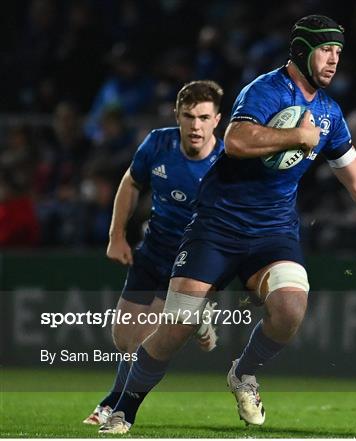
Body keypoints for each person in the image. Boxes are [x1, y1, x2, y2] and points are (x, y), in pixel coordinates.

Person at [99, 15, 356, 434]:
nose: (334, 60)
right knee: (177, 325)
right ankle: (124, 407)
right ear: (302, 51)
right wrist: (294, 138)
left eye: (338, 52)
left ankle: (243, 373)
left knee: (290, 309)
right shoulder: (265, 90)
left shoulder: (329, 114)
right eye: (325, 50)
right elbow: (235, 140)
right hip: (216, 226)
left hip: (272, 232)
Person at [83, 80, 224, 425]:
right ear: (177, 115)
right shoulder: (158, 143)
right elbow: (131, 182)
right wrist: (117, 235)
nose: (196, 125)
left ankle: (116, 408)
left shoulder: (228, 163)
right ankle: (197, 319)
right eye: (189, 116)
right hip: (154, 247)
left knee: (148, 342)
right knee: (123, 337)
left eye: (204, 117)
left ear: (217, 120)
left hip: (190, 262)